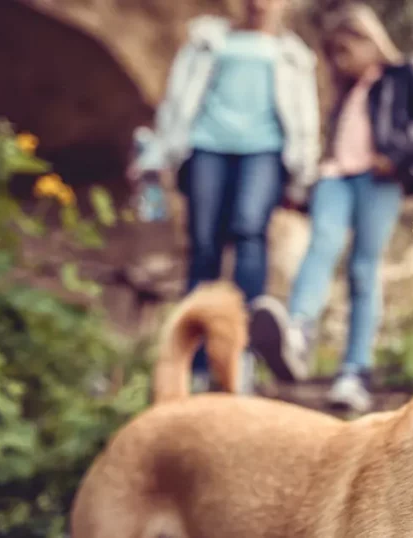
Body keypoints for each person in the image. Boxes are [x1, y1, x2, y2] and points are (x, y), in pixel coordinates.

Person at [249, 3, 413, 413]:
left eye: (345, 50)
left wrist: (394, 156)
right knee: (320, 245)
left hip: (379, 179)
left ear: (369, 40)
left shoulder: (405, 72)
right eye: (334, 53)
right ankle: (298, 334)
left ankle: (354, 372)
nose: (340, 61)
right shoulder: (347, 92)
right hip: (336, 178)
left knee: (362, 268)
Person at [129, 0, 320, 393]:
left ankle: (240, 359)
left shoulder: (293, 55)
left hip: (265, 152)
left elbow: (305, 116)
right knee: (204, 247)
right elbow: (176, 103)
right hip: (205, 147)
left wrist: (303, 172)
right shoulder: (206, 41)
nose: (259, 4)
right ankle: (195, 364)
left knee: (250, 235)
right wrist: (157, 155)